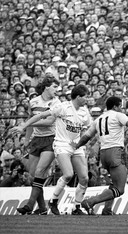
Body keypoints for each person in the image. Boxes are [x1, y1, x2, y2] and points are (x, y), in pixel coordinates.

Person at [74, 96, 128, 215]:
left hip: (103, 154)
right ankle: (90, 202)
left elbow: (86, 136)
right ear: (115, 106)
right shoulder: (117, 115)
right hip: (115, 152)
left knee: (114, 183)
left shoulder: (99, 119)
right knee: (119, 189)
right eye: (120, 107)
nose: (122, 109)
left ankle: (107, 209)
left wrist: (76, 146)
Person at [12, 84, 93, 215]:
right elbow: (40, 116)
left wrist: (83, 142)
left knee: (84, 178)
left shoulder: (85, 111)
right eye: (86, 96)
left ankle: (76, 207)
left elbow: (87, 129)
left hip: (76, 146)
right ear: (78, 97)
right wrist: (23, 126)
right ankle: (53, 201)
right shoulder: (62, 107)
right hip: (61, 144)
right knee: (68, 174)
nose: (88, 99)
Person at [13, 75, 61, 215]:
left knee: (40, 171)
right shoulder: (33, 101)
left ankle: (29, 205)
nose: (56, 90)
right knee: (33, 176)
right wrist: (27, 140)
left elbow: (49, 121)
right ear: (46, 87)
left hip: (51, 138)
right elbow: (29, 121)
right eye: (54, 87)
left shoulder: (56, 102)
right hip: (36, 139)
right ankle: (42, 208)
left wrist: (28, 123)